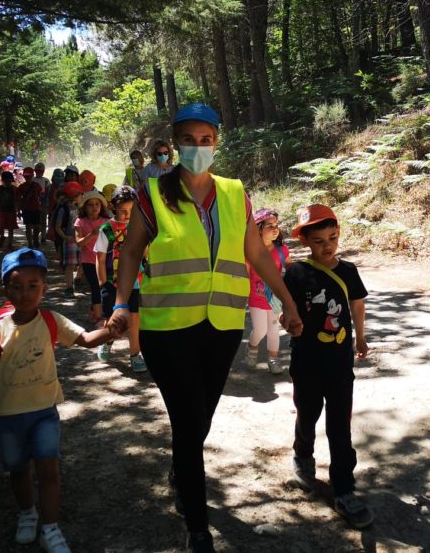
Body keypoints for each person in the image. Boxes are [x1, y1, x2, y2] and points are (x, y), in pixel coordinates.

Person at [105, 103, 303, 552]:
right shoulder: (153, 193)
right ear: (175, 144)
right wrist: (120, 302)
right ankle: (197, 524)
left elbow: (256, 254)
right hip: (166, 328)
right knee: (185, 418)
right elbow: (131, 251)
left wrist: (287, 302)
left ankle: (181, 468)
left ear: (216, 142)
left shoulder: (234, 193)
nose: (198, 147)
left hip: (222, 326)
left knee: (202, 415)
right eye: (189, 140)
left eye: (206, 140)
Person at [0, 248, 121, 553]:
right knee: (18, 470)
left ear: (44, 288)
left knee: (48, 470)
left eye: (33, 286)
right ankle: (27, 513)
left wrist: (111, 330)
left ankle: (50, 527)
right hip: (10, 415)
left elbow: (86, 340)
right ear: (6, 290)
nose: (25, 293)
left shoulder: (51, 320)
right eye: (16, 286)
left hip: (44, 413)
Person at [283, 203, 373, 529]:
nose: (328, 246)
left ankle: (344, 488)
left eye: (332, 238)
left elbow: (357, 306)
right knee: (307, 414)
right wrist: (289, 322)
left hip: (339, 364)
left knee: (340, 425)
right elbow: (287, 312)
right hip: (306, 363)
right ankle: (302, 455)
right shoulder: (296, 273)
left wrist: (360, 338)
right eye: (319, 241)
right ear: (305, 240)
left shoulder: (348, 270)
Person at [94, 186, 146, 372]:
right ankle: (107, 342)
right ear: (113, 207)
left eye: (131, 211)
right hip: (112, 282)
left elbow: (145, 253)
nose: (127, 215)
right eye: (123, 210)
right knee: (113, 318)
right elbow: (100, 259)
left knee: (134, 318)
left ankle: (135, 355)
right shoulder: (106, 229)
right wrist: (102, 283)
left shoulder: (138, 227)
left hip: (136, 282)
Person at [245, 208, 290, 375]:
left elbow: (290, 268)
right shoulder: (250, 251)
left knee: (273, 330)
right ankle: (252, 348)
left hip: (275, 298)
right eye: (270, 225)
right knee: (260, 330)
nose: (275, 229)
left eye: (276, 225)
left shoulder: (282, 250)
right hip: (256, 297)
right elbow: (245, 274)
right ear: (258, 229)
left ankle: (273, 360)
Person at [74, 190, 109, 322]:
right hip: (88, 260)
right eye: (90, 205)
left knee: (106, 286)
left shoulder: (107, 221)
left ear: (101, 206)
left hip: (105, 260)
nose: (94, 207)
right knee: (95, 287)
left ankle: (100, 311)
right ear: (85, 207)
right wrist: (92, 234)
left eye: (97, 204)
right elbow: (79, 243)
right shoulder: (80, 221)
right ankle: (99, 317)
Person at [53, 181, 84, 297]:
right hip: (70, 241)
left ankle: (77, 279)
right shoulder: (63, 209)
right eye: (80, 194)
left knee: (82, 262)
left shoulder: (80, 208)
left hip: (80, 239)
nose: (82, 196)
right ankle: (69, 287)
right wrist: (65, 237)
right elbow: (58, 227)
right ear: (74, 195)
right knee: (70, 265)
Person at [18, 167, 45, 249]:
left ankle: (35, 237)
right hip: (26, 209)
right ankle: (30, 244)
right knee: (28, 227)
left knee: (38, 227)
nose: (27, 178)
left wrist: (42, 205)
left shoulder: (37, 186)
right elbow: (18, 199)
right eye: (26, 176)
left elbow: (42, 196)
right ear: (24, 176)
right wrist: (18, 211)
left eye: (29, 176)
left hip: (36, 208)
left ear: (32, 176)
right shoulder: (21, 187)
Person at [0, 171, 19, 250]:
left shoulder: (15, 189)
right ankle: (2, 236)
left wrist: (18, 211)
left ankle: (9, 244)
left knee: (11, 229)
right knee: (0, 227)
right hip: (1, 211)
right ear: (3, 180)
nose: (8, 182)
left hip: (12, 211)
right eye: (6, 181)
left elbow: (17, 201)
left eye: (10, 181)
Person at [33, 163, 52, 245]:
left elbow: (49, 192)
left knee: (43, 222)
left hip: (44, 204)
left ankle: (43, 237)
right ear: (35, 171)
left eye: (41, 171)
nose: (39, 173)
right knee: (36, 222)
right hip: (34, 204)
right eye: (38, 171)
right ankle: (35, 236)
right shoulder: (32, 180)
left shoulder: (46, 180)